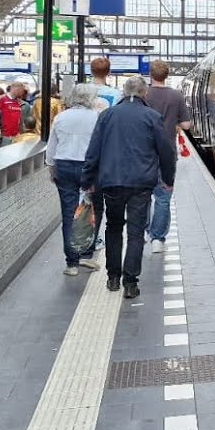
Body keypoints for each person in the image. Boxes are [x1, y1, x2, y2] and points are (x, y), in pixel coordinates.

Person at [82, 77, 176, 299]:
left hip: (111, 182)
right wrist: (168, 179)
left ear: (124, 92)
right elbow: (166, 151)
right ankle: (131, 283)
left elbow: (93, 150)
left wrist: (87, 180)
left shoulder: (107, 115)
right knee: (135, 233)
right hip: (141, 183)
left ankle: (113, 278)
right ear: (144, 94)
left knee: (113, 227)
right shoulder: (152, 117)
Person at [47, 84, 104, 277]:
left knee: (68, 212)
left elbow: (51, 147)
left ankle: (71, 263)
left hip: (63, 166)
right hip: (88, 167)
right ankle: (86, 253)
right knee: (90, 210)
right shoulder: (96, 117)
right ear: (90, 98)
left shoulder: (61, 116)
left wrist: (52, 169)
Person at [143, 61, 191, 253]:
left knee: (143, 195)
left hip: (144, 154)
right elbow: (186, 125)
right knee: (163, 197)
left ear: (150, 75)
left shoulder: (143, 94)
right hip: (167, 154)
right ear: (167, 75)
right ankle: (158, 239)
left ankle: (144, 231)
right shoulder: (176, 95)